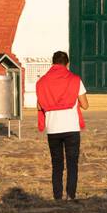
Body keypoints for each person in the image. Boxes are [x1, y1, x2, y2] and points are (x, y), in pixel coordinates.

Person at [36, 51, 88, 201]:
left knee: (57, 164)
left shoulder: (42, 82)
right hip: (71, 127)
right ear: (67, 64)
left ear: (52, 63)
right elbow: (85, 105)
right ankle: (70, 195)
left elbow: (40, 106)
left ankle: (57, 196)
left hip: (53, 128)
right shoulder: (75, 80)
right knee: (72, 163)